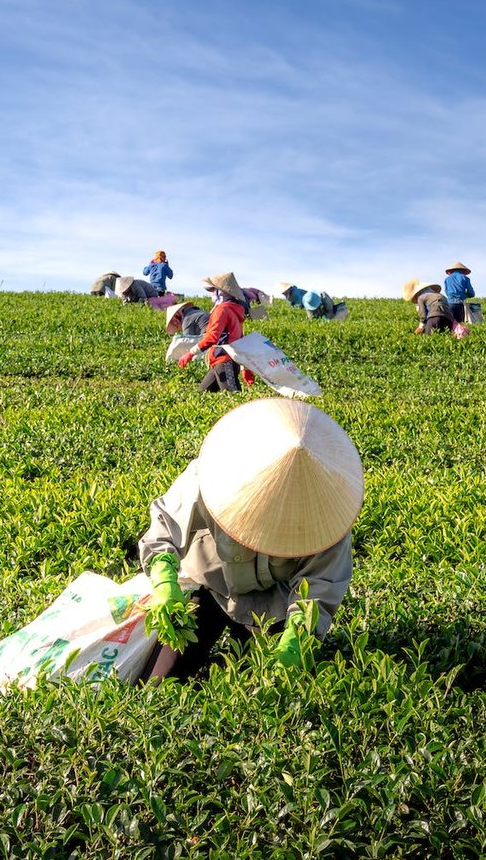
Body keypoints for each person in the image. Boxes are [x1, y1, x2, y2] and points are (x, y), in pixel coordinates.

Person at [137, 397, 363, 681]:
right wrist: (164, 580)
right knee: (160, 682)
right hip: (210, 586)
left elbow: (318, 589)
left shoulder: (329, 517)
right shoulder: (210, 475)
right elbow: (165, 527)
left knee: (275, 690)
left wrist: (296, 637)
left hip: (274, 603)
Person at [179, 272, 254, 392]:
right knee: (202, 394)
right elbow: (240, 341)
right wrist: (245, 368)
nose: (212, 294)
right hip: (219, 362)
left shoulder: (222, 310)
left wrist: (190, 353)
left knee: (233, 399)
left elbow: (212, 337)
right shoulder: (234, 310)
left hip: (225, 361)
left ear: (221, 292)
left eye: (214, 290)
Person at [277, 283, 343, 321]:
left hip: (326, 309)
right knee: (314, 319)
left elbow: (330, 311)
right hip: (311, 307)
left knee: (334, 316)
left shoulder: (324, 298)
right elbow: (311, 316)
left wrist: (327, 319)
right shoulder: (307, 301)